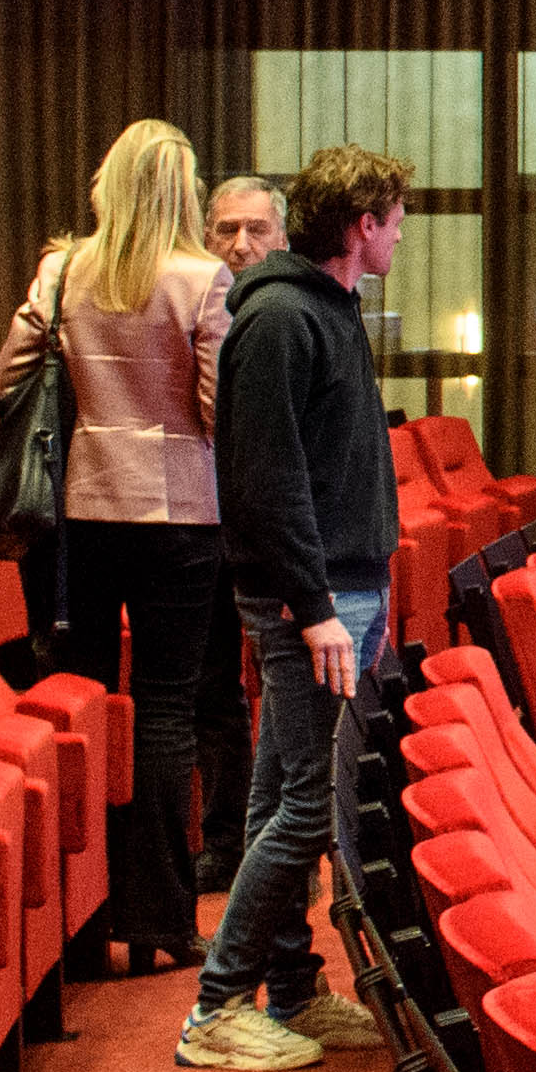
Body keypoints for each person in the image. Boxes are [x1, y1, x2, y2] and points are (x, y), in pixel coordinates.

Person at [0, 120, 236, 976]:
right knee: (165, 710)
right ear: (184, 192)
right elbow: (216, 412)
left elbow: (5, 382)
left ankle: (81, 926)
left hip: (80, 510)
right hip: (181, 514)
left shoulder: (64, 270)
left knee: (84, 705)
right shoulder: (203, 279)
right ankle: (160, 917)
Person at [192, 142, 409, 1072]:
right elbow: (265, 480)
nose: (399, 236)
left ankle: (289, 989)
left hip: (338, 590)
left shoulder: (327, 306)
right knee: (309, 811)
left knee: (282, 799)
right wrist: (314, 604)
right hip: (311, 604)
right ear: (363, 225)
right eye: (395, 221)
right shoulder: (282, 317)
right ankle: (216, 1008)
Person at [186, 174, 286, 878]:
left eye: (256, 229)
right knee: (213, 687)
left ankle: (282, 848)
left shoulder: (288, 313)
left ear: (282, 237)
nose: (241, 244)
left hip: (270, 524)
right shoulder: (191, 297)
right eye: (226, 230)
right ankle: (227, 843)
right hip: (198, 520)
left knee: (285, 691)